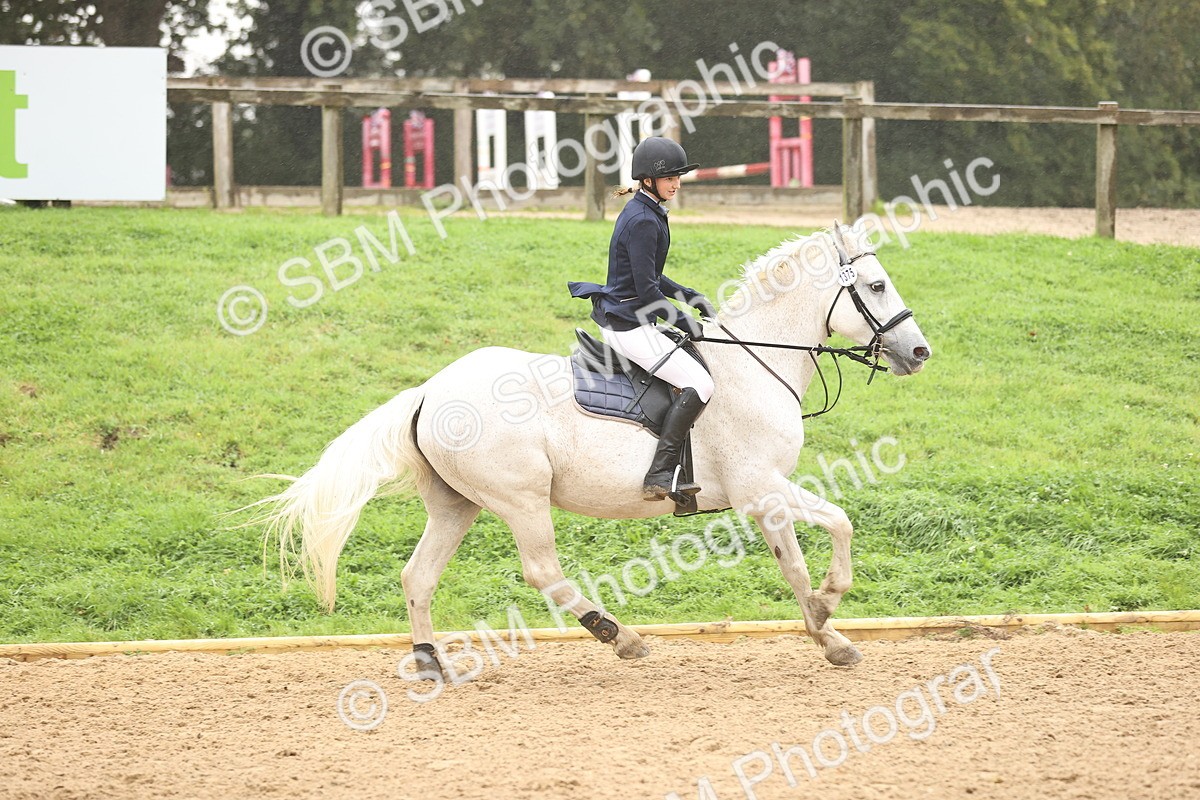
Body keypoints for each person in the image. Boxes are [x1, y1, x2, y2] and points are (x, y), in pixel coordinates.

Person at [568, 137, 717, 501]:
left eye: (679, 177)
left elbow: (650, 276)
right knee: (701, 384)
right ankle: (660, 472)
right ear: (649, 180)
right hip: (629, 325)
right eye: (671, 179)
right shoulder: (643, 220)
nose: (677, 184)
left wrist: (689, 296)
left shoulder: (647, 211)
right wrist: (686, 323)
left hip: (633, 315)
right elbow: (649, 292)